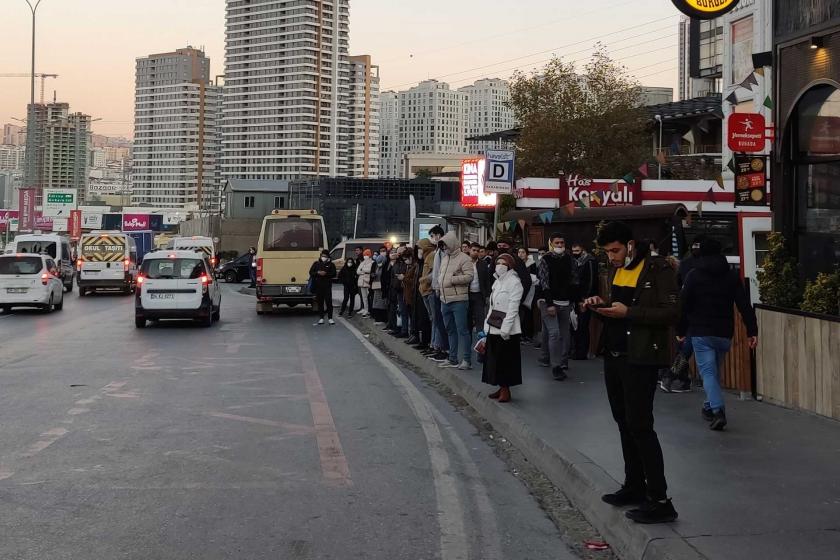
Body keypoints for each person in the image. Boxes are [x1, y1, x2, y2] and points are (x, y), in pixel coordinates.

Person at [584, 221, 679, 525]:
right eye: (607, 252)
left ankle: (660, 499)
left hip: (640, 358)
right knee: (624, 423)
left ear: (630, 245)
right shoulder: (616, 269)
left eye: (615, 250)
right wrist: (601, 304)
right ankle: (634, 486)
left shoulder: (657, 268)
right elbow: (620, 305)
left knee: (641, 425)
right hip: (614, 356)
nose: (611, 257)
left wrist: (629, 313)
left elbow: (672, 312)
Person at [677, 238, 758, 431]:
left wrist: (680, 330)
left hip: (701, 331)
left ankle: (718, 411)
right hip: (724, 332)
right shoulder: (731, 276)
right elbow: (744, 305)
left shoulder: (694, 275)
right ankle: (708, 406)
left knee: (708, 373)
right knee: (713, 373)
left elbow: (683, 304)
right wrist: (752, 330)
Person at [481, 253, 524, 403]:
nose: (500, 266)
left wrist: (506, 328)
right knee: (494, 360)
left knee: (506, 360)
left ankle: (506, 390)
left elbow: (513, 307)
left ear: (510, 266)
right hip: (494, 326)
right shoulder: (497, 282)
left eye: (503, 263)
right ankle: (500, 386)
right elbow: (492, 306)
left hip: (507, 329)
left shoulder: (514, 282)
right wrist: (486, 324)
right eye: (498, 263)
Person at [536, 233, 575, 380]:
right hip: (549, 302)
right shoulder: (545, 260)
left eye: (562, 242)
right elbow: (544, 282)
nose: (560, 245)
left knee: (564, 334)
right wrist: (549, 303)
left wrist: (575, 301)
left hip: (566, 302)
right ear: (551, 244)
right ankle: (556, 366)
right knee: (554, 333)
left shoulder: (570, 259)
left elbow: (574, 280)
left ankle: (555, 358)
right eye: (557, 243)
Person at [438, 231, 475, 370]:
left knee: (462, 330)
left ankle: (466, 359)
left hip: (459, 300)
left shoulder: (464, 258)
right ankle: (452, 358)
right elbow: (441, 276)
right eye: (442, 246)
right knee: (450, 330)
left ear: (452, 244)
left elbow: (469, 276)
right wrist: (438, 287)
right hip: (444, 300)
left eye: (446, 245)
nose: (444, 248)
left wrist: (452, 280)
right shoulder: (445, 258)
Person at [571, 242, 598, 360]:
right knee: (576, 325)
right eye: (573, 251)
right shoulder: (577, 262)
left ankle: (582, 352)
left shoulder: (589, 261)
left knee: (582, 325)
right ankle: (576, 350)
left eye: (577, 251)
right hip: (577, 298)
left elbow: (591, 281)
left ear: (583, 250)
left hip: (585, 299)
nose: (575, 254)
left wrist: (585, 299)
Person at [428, 226, 450, 363]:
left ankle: (445, 349)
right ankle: (440, 347)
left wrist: (438, 286)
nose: (433, 238)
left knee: (442, 321)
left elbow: (441, 271)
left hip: (441, 290)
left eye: (434, 235)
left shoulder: (443, 250)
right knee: (438, 321)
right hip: (436, 288)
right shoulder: (437, 250)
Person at [310, 250, 337, 325]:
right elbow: (311, 272)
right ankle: (321, 318)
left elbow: (334, 274)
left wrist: (326, 274)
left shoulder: (331, 265)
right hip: (318, 286)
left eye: (325, 256)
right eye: (322, 255)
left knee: (329, 302)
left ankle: (330, 318)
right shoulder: (316, 263)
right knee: (320, 302)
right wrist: (318, 272)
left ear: (328, 256)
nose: (323, 257)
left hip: (327, 286)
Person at [468, 243, 486, 337]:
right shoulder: (464, 262)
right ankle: (467, 346)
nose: (475, 252)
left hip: (479, 295)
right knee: (467, 322)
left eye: (477, 251)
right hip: (467, 295)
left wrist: (486, 296)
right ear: (469, 250)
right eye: (473, 250)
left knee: (480, 320)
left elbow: (487, 280)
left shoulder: (483, 264)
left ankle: (481, 346)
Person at [356, 249, 373, 317]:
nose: (365, 256)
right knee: (364, 297)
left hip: (367, 281)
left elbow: (370, 270)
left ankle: (369, 310)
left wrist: (362, 270)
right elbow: (357, 271)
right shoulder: (362, 262)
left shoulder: (372, 262)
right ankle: (365, 309)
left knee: (369, 297)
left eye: (367, 254)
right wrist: (364, 272)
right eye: (364, 255)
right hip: (361, 281)